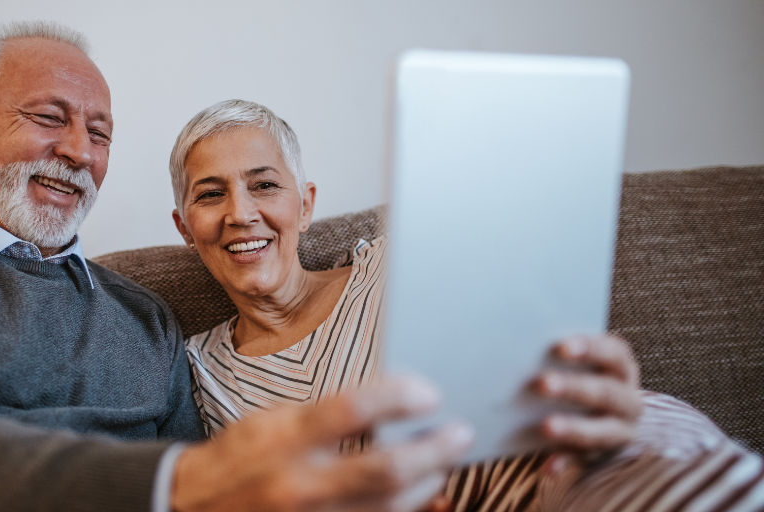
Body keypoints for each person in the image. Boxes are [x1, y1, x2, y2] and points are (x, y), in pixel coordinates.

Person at [0, 22, 474, 512]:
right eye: (50, 117)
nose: (79, 151)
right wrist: (183, 483)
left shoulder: (145, 319)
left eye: (99, 132)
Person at [170, 99, 764, 511]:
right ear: (184, 228)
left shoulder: (401, 258)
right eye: (211, 194)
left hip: (568, 460)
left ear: (305, 204)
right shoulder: (196, 370)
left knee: (652, 458)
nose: (241, 213)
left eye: (264, 185)